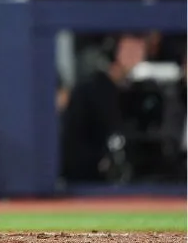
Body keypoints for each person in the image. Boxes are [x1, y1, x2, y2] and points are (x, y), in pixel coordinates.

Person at [61, 33, 146, 182]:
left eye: (139, 50)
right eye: (130, 50)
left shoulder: (134, 91)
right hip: (86, 181)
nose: (136, 56)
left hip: (120, 181)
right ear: (114, 51)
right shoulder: (92, 90)